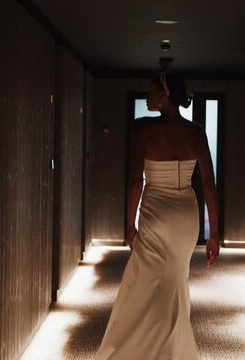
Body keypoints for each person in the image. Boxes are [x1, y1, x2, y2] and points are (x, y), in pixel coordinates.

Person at [94, 71, 220, 360]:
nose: (147, 97)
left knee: (145, 280)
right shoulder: (197, 132)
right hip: (186, 214)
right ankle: (171, 347)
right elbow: (209, 184)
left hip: (157, 211)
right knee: (175, 279)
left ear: (164, 96)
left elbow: (135, 181)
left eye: (151, 92)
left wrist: (129, 224)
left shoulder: (142, 129)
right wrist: (213, 233)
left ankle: (145, 347)